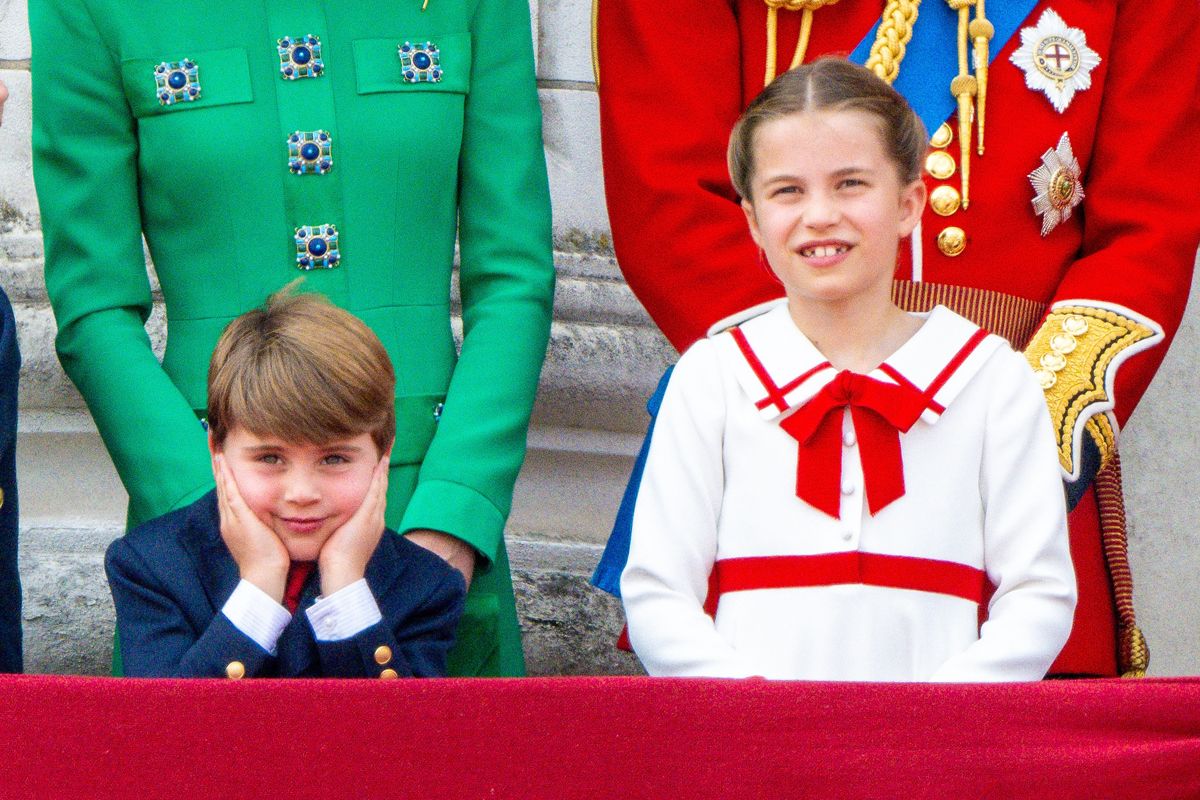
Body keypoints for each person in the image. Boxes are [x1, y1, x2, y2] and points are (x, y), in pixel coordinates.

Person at [596, 0, 1200, 677]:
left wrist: (1014, 444)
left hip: (1007, 435)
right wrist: (789, 399)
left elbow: (1151, 228)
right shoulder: (723, 387)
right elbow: (668, 198)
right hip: (774, 480)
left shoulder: (997, 401)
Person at [31, 0, 553, 676]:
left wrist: (455, 515)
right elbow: (93, 304)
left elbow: (513, 277)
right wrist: (206, 529)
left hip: (426, 523)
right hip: (205, 539)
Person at [621, 60, 1075, 681]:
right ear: (753, 219)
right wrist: (757, 720)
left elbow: (1039, 594)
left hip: (934, 761)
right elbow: (657, 594)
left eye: (850, 184)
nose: (819, 216)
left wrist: (931, 726)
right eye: (787, 191)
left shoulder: (993, 380)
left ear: (909, 203)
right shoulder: (712, 378)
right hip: (752, 759)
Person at [106, 290, 465, 678]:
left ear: (383, 454)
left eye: (334, 459)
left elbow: (399, 735)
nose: (302, 494)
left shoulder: (426, 585)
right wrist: (259, 587)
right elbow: (166, 731)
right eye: (270, 458)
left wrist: (345, 587)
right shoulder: (152, 566)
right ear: (217, 452)